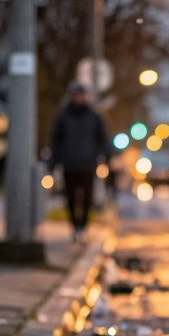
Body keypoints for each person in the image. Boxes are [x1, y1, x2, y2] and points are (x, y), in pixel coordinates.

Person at [48, 82, 110, 241]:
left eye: (80, 94)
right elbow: (56, 141)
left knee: (87, 197)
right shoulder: (63, 116)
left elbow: (102, 139)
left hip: (88, 164)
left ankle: (83, 226)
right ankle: (74, 226)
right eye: (75, 95)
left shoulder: (94, 116)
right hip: (69, 164)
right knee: (70, 197)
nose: (78, 98)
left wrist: (104, 157)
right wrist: (53, 163)